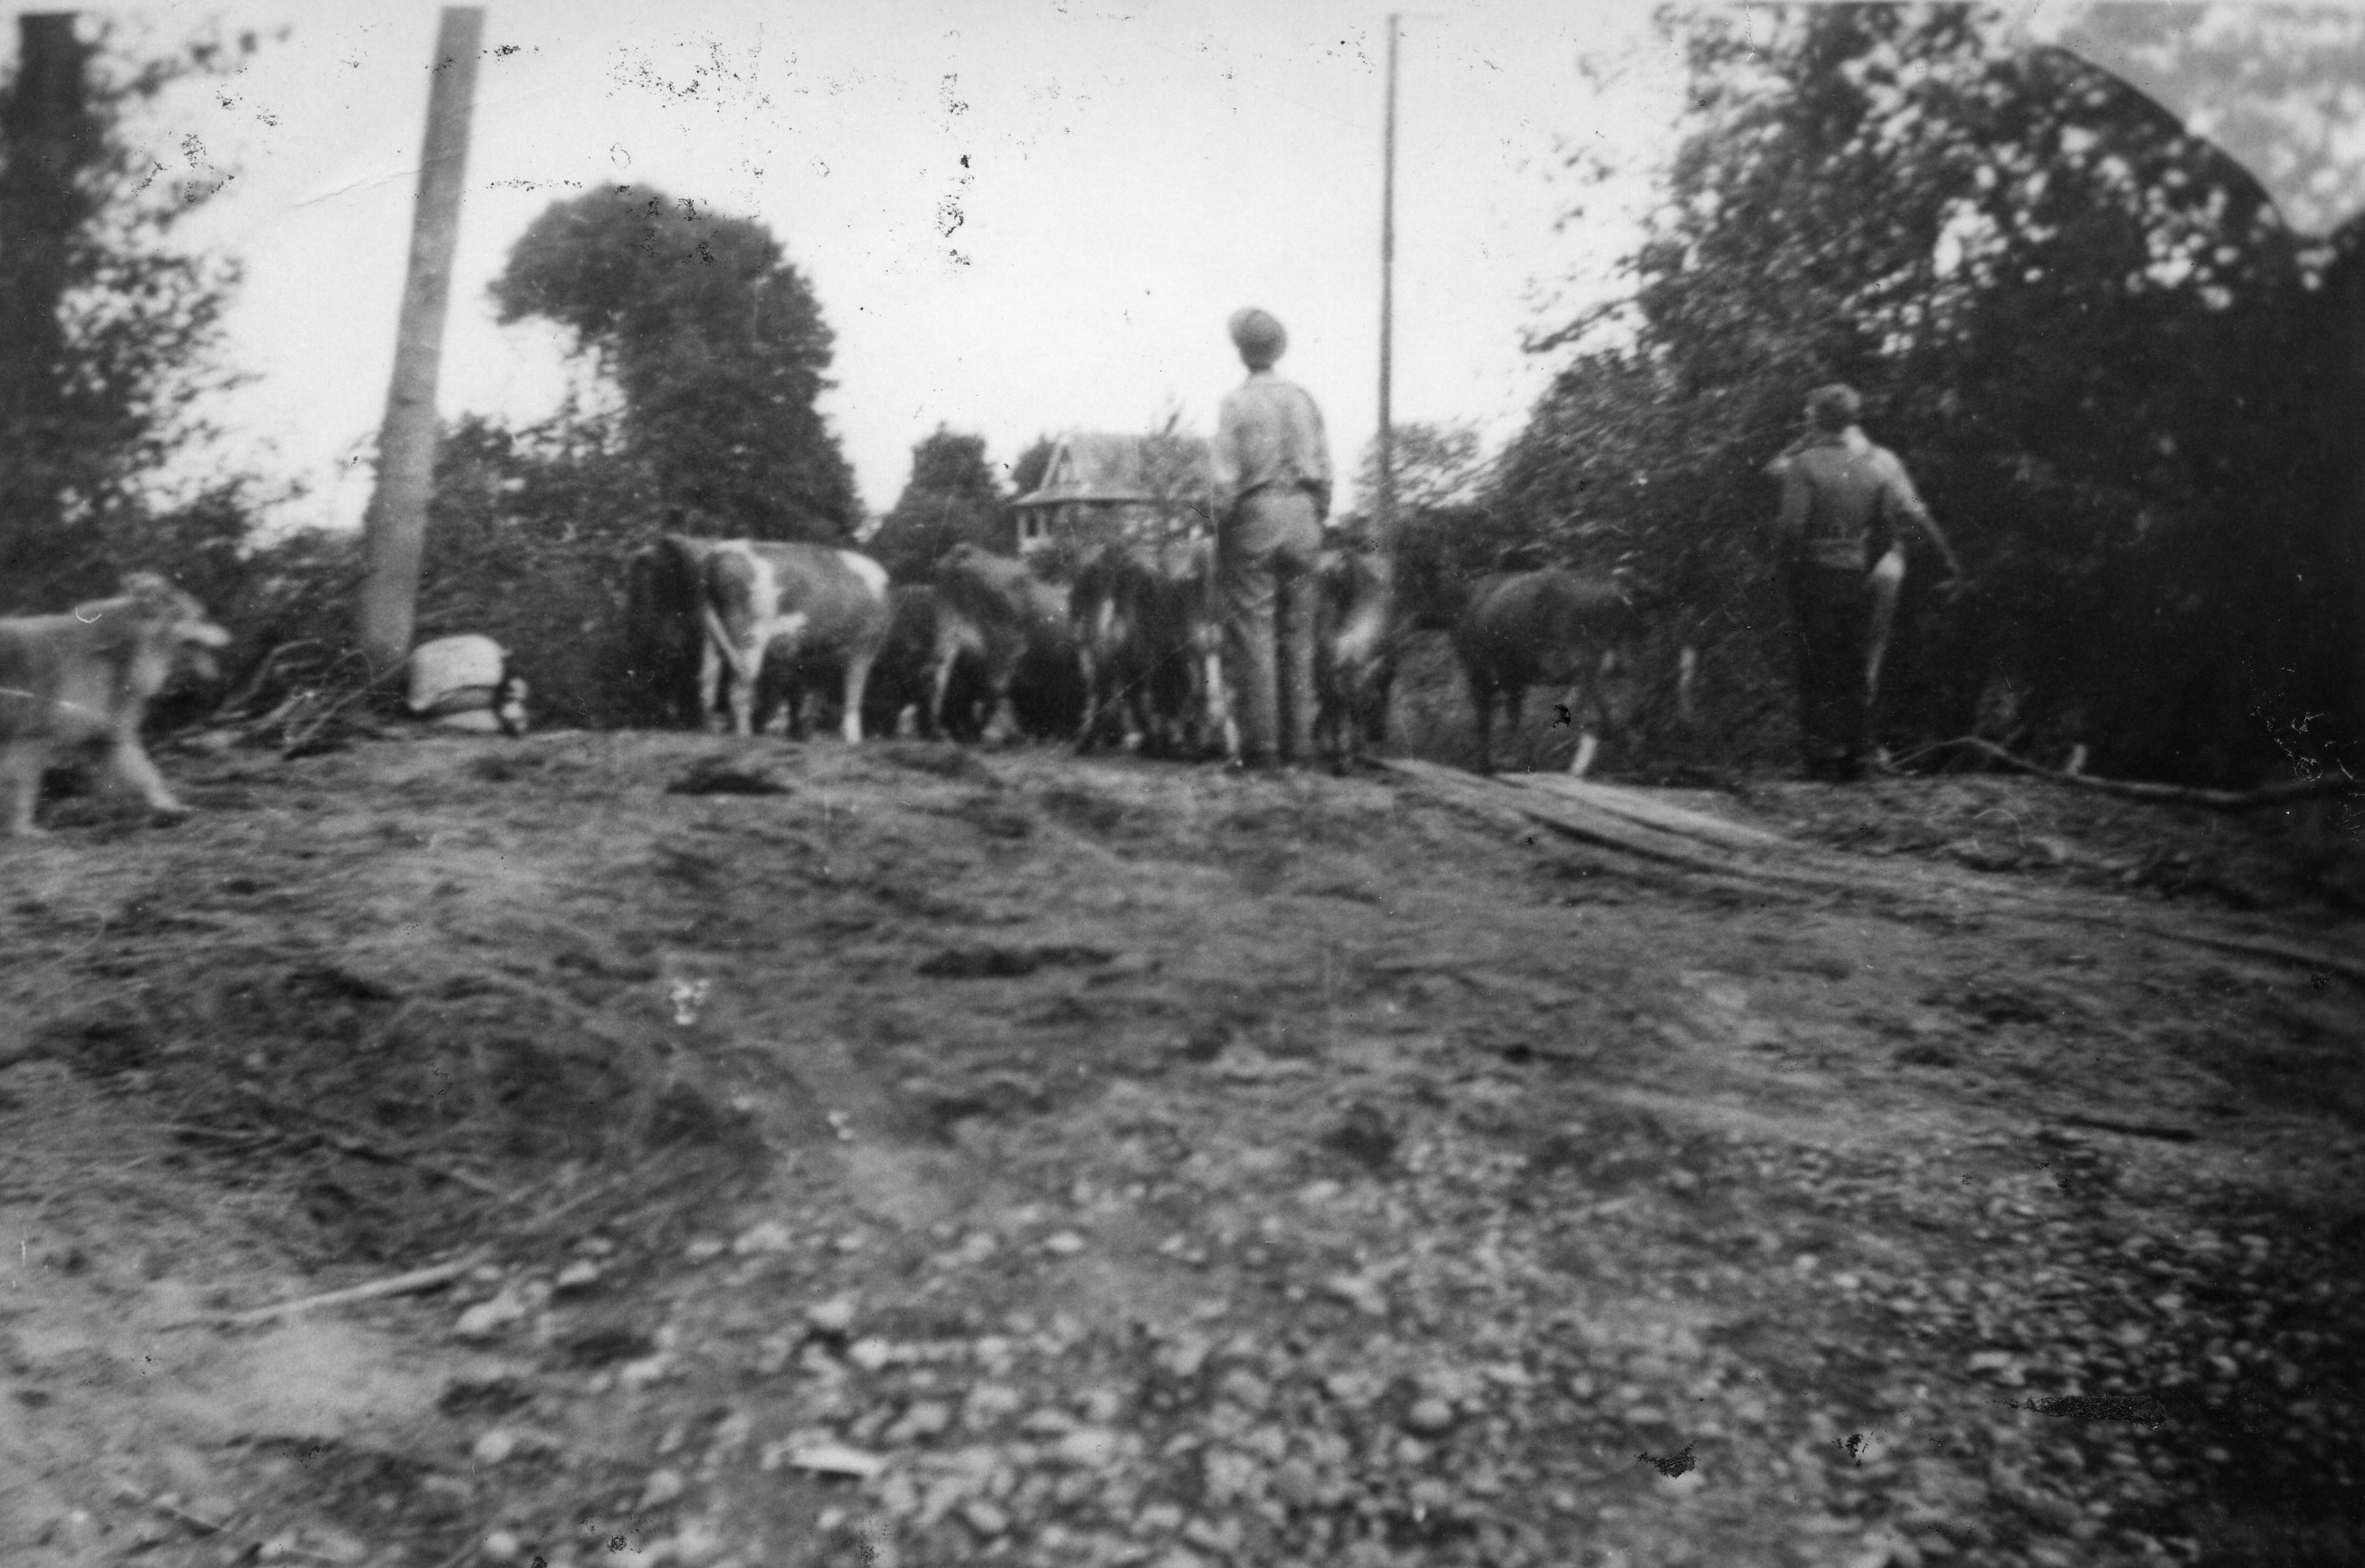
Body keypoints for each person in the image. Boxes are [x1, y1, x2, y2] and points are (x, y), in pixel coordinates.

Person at [1769, 383, 1964, 781]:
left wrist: (1789, 571)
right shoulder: (1874, 466)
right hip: (1856, 573)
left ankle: (1822, 756)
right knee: (1855, 665)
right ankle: (1858, 753)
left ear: (1814, 418)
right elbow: (1885, 528)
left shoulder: (1805, 465)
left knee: (1815, 663)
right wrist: (1864, 563)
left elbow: (1792, 527)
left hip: (1816, 572)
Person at [1211, 307, 1332, 768]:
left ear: (1242, 353)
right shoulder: (1305, 400)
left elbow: (1224, 482)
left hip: (1255, 516)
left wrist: (1222, 531)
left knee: (1254, 633)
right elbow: (1327, 470)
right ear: (1278, 350)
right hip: (1304, 518)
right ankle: (1300, 746)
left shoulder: (1236, 404)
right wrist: (1314, 516)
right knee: (1298, 636)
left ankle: (1263, 751)